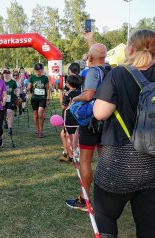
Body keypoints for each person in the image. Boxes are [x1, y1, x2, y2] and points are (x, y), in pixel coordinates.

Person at [93, 29, 155, 237]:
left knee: (105, 215)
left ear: (130, 48)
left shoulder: (119, 73)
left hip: (120, 161)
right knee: (149, 224)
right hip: (152, 163)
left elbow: (100, 113)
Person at [65, 32, 108, 211]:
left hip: (90, 122)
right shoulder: (110, 69)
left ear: (89, 58)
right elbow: (97, 53)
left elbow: (89, 94)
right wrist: (90, 42)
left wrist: (74, 100)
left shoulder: (91, 72)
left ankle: (84, 199)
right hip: (106, 119)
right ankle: (108, 198)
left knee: (85, 160)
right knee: (105, 160)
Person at [59, 75, 81, 162]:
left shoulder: (67, 94)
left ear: (68, 84)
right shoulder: (80, 92)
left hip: (69, 116)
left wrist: (61, 98)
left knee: (68, 135)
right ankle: (75, 150)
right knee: (76, 133)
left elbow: (63, 107)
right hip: (78, 115)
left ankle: (71, 154)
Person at [27, 63, 50, 138]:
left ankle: (41, 130)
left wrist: (48, 97)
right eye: (36, 70)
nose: (38, 72)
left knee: (40, 114)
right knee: (35, 115)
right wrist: (26, 89)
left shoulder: (45, 78)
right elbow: (29, 86)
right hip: (34, 98)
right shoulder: (32, 78)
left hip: (42, 98)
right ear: (34, 70)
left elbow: (47, 88)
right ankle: (36, 129)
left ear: (42, 70)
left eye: (40, 70)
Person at [3, 69, 19, 135]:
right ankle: (5, 121)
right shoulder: (1, 82)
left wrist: (18, 95)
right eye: (5, 73)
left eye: (7, 73)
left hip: (11, 100)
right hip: (3, 100)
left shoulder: (13, 82)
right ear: (3, 74)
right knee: (4, 114)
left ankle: (10, 128)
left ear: (10, 74)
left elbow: (16, 90)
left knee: (9, 112)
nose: (6, 75)